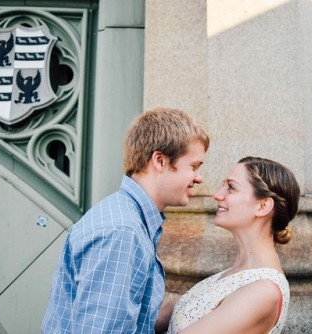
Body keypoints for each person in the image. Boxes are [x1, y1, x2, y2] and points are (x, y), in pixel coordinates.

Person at [41, 108, 210, 333]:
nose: (199, 178)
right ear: (160, 160)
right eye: (194, 167)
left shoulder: (128, 219)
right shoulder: (122, 230)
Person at [161, 156, 300, 334]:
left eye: (231, 187)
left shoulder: (263, 292)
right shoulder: (231, 275)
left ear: (263, 206)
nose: (217, 194)